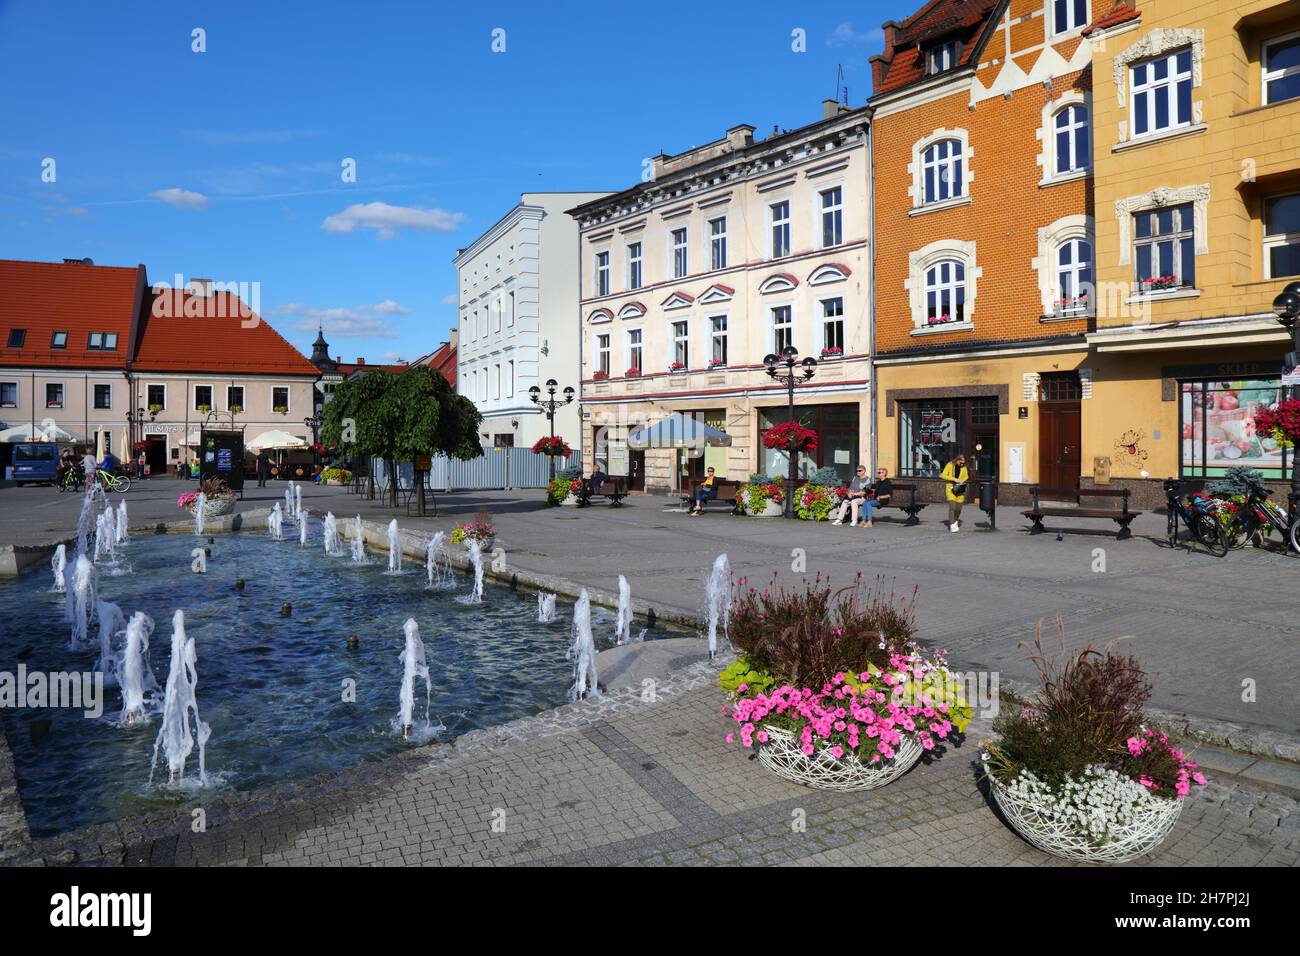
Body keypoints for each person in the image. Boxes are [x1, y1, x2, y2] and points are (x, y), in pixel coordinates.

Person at [941, 454, 970, 532]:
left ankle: (955, 521)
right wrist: (953, 479)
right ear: (957, 460)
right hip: (950, 489)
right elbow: (942, 475)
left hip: (960, 489)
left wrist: (961, 481)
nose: (962, 464)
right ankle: (952, 525)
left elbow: (966, 476)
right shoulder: (950, 465)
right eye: (961, 463)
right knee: (952, 507)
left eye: (963, 463)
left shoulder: (964, 467)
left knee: (959, 508)